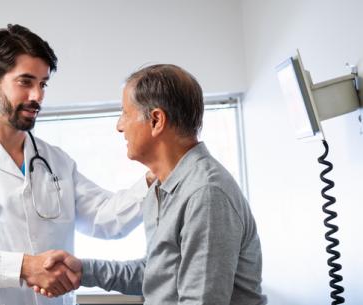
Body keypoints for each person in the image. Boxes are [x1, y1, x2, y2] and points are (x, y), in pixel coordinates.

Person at [0, 24, 153, 305]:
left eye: (43, 84)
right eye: (25, 82)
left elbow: (106, 220)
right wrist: (25, 268)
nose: (37, 96)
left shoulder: (56, 162)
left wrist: (155, 177)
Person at [39, 64, 267, 305]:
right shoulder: (162, 188)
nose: (119, 126)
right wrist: (83, 270)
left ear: (157, 120)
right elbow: (158, 273)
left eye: (125, 113)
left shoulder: (206, 193)